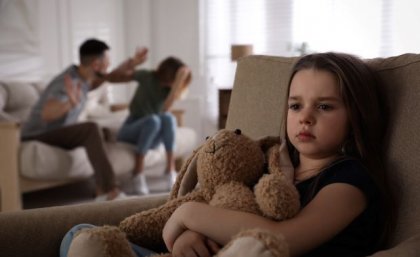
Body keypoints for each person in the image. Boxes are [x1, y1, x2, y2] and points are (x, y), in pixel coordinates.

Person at [160, 52, 395, 257]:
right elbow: (234, 211)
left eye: (324, 106)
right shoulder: (272, 164)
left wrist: (187, 214)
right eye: (295, 106)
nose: (305, 117)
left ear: (357, 117)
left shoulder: (350, 182)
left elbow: (280, 240)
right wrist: (191, 236)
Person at [21, 38, 147, 201]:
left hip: (55, 132)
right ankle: (109, 191)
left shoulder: (83, 78)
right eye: (106, 62)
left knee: (101, 132)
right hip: (37, 134)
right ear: (96, 64)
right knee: (90, 129)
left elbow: (109, 76)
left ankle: (102, 189)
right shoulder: (67, 82)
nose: (108, 66)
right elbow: (47, 113)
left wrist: (132, 62)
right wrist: (69, 104)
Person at [105, 55, 192, 195]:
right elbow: (115, 78)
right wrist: (132, 63)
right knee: (153, 120)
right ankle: (138, 172)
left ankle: (170, 170)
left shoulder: (170, 91)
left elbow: (166, 108)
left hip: (152, 136)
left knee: (168, 118)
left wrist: (178, 82)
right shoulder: (147, 76)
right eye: (177, 78)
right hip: (130, 130)